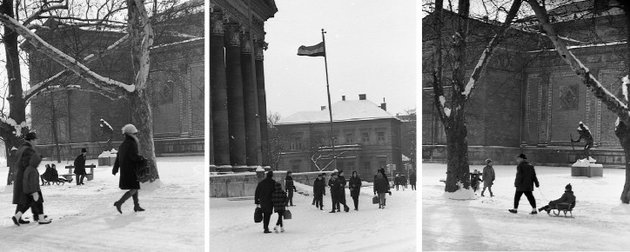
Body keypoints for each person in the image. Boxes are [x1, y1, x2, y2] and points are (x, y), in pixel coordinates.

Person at [12, 132, 51, 225]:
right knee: (33, 195)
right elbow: (28, 164)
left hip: (21, 175)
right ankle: (37, 216)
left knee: (25, 197)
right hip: (26, 177)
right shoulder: (28, 150)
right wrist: (31, 174)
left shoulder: (21, 148)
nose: (36, 141)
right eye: (35, 140)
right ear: (31, 140)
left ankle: (20, 216)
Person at [112, 124, 145, 214]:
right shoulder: (132, 143)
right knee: (134, 188)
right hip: (131, 169)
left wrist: (115, 169)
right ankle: (119, 203)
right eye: (135, 133)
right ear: (131, 134)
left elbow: (118, 158)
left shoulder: (123, 144)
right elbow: (133, 156)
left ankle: (136, 206)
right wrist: (141, 158)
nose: (136, 135)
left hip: (125, 170)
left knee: (135, 187)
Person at [21, 151, 51, 225]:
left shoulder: (29, 168)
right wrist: (35, 192)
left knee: (28, 204)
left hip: (29, 190)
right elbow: (33, 182)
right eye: (38, 162)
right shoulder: (33, 170)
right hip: (34, 190)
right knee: (39, 204)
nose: (39, 163)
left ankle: (17, 216)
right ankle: (41, 219)